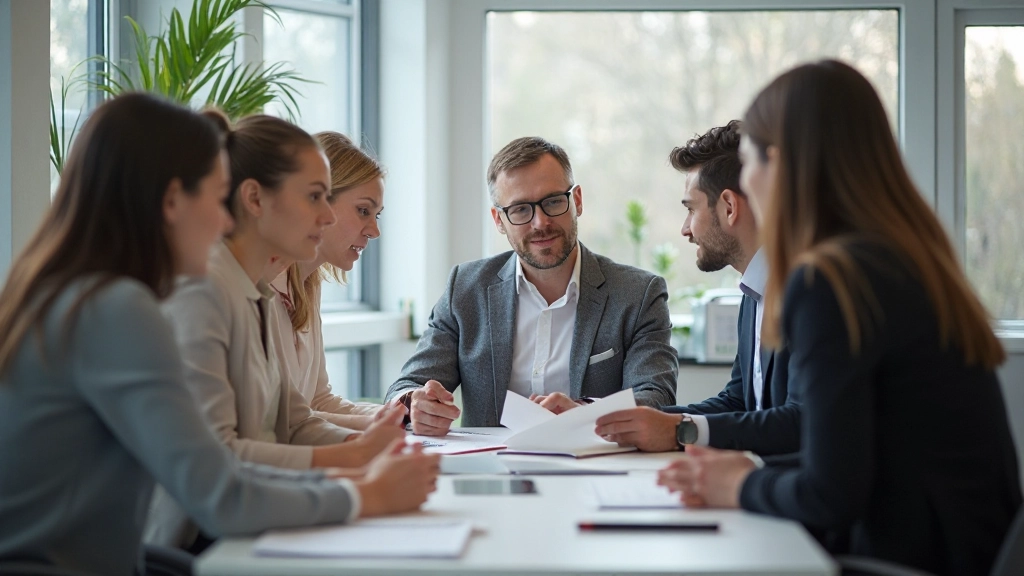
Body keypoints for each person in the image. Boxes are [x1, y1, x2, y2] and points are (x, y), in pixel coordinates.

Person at [0, 93, 439, 576]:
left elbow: (248, 451)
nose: (225, 221)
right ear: (171, 202)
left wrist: (356, 470)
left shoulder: (80, 295)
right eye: (215, 198)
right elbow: (220, 493)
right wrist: (365, 492)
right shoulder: (118, 310)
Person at [657, 60, 1022, 576]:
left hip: (908, 558)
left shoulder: (830, 279)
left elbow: (831, 493)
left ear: (779, 164)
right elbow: (847, 455)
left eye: (752, 159)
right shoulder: (898, 258)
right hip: (958, 547)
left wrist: (735, 482)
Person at [149, 114, 405, 549]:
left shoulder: (259, 291)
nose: (325, 216)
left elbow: (296, 419)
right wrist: (357, 460)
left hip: (243, 521)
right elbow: (220, 456)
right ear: (254, 199)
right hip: (191, 541)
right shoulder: (205, 289)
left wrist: (371, 441)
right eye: (314, 198)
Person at [384, 136, 678, 435]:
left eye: (552, 202)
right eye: (521, 210)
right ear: (499, 220)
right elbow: (408, 385)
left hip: (596, 465)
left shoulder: (638, 293)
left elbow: (657, 397)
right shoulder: (466, 289)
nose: (540, 222)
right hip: (489, 474)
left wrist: (587, 413)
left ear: (576, 201)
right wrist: (414, 403)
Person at [596, 121, 799, 455]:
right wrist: (612, 422)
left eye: (691, 209)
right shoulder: (754, 292)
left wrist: (682, 432)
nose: (685, 230)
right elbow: (738, 401)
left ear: (729, 208)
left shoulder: (805, 288)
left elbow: (801, 421)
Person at [268, 131, 386, 431]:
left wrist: (400, 414)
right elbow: (285, 421)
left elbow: (318, 401)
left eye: (377, 215)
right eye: (363, 211)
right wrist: (381, 427)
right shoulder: (262, 287)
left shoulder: (308, 285)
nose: (374, 231)